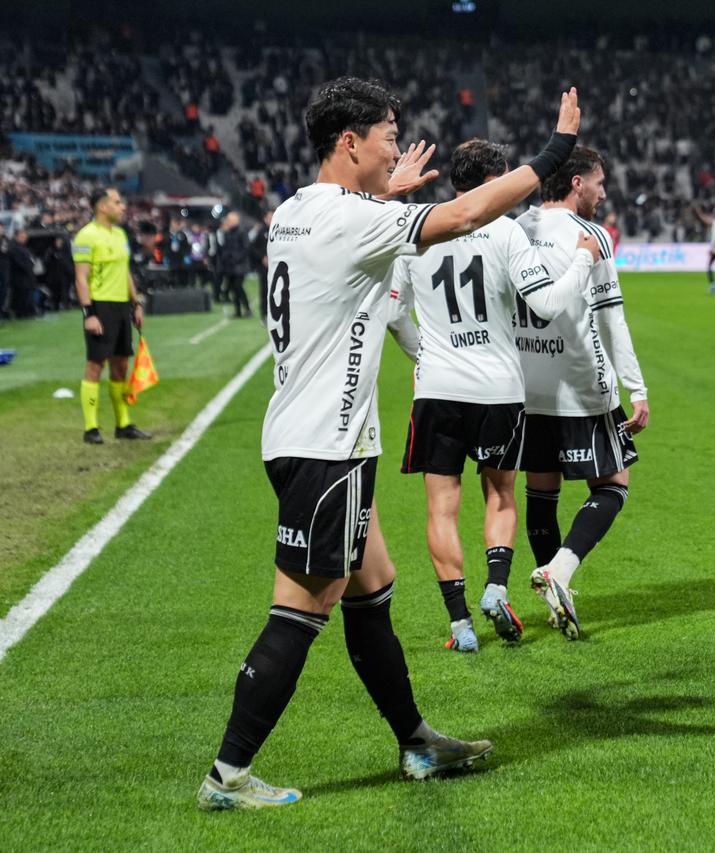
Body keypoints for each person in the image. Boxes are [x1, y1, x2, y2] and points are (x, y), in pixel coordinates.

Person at [196, 76, 585, 811]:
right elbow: (466, 212)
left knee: (372, 589)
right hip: (327, 449)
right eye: (388, 138)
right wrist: (553, 152)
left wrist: (386, 191)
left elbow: (357, 231)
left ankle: (416, 741)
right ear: (350, 142)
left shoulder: (293, 211)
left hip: (302, 436)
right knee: (300, 610)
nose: (396, 150)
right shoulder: (353, 219)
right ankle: (228, 775)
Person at [388, 139, 603, 652]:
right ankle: (496, 588)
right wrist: (582, 261)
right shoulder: (506, 231)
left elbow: (394, 314)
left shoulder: (418, 227)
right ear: (491, 182)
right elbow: (546, 305)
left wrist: (426, 355)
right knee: (500, 494)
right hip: (498, 390)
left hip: (437, 389)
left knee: (441, 508)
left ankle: (460, 625)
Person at [515, 146, 649, 640]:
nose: (603, 192)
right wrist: (636, 388)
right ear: (576, 183)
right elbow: (612, 320)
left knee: (541, 490)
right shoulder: (591, 236)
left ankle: (555, 593)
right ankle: (560, 570)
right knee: (613, 483)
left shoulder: (517, 229)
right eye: (599, 182)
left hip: (526, 386)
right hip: (581, 384)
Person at [73, 188, 150, 445]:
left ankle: (123, 424)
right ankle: (91, 428)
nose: (123, 206)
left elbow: (125, 272)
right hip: (100, 307)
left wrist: (135, 303)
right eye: (117, 202)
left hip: (121, 307)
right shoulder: (86, 235)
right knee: (95, 365)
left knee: (121, 366)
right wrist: (89, 314)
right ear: (102, 207)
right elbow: (81, 278)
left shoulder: (120, 234)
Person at [217, 211, 252, 318]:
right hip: (229, 266)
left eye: (229, 220)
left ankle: (247, 309)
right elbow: (223, 248)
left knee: (238, 287)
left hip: (239, 266)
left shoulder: (242, 232)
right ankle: (238, 311)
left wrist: (237, 258)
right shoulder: (227, 233)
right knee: (233, 289)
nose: (227, 222)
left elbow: (246, 248)